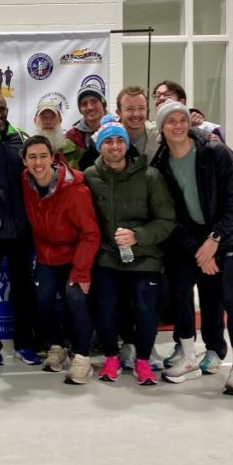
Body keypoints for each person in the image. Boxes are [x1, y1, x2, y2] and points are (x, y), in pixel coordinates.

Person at [152, 101, 233, 395]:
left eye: (183, 119)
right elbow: (170, 213)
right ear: (162, 128)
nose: (179, 125)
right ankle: (189, 357)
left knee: (228, 300)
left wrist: (215, 239)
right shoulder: (159, 164)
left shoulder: (215, 152)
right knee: (180, 293)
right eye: (171, 121)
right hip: (192, 241)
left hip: (228, 237)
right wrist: (200, 250)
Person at [84, 116, 175, 385]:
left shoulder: (150, 176)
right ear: (99, 146)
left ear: (127, 144)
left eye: (119, 140)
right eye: (108, 141)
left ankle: (143, 360)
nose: (114, 146)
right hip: (107, 255)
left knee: (146, 307)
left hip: (145, 256)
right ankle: (112, 357)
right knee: (107, 308)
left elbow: (167, 219)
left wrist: (139, 236)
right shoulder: (91, 176)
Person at [21, 136, 100, 384]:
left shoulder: (75, 189)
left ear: (53, 158)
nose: (38, 162)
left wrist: (82, 270)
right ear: (24, 161)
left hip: (76, 254)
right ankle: (56, 347)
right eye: (32, 157)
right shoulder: (26, 182)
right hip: (46, 254)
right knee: (42, 299)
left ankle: (82, 358)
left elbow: (91, 233)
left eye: (43, 156)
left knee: (75, 297)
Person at [0, 94, 40, 365]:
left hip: (21, 228)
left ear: (7, 110)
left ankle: (25, 343)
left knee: (23, 289)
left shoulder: (22, 139)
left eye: (0, 109)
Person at [151, 80, 224, 142]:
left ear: (182, 101)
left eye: (167, 94)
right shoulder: (153, 134)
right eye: (157, 95)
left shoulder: (207, 128)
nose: (161, 98)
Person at [64, 85, 108, 170]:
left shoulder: (119, 127)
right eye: (84, 104)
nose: (90, 107)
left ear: (103, 104)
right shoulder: (72, 136)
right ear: (80, 110)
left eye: (94, 101)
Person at [33, 99, 80, 167]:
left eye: (52, 117)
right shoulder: (26, 149)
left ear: (60, 120)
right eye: (44, 117)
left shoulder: (72, 148)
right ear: (35, 120)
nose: (48, 122)